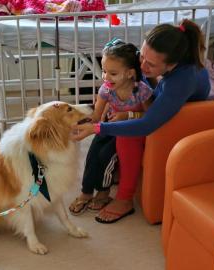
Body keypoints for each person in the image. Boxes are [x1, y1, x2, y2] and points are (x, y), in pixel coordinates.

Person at [71, 19, 211, 223]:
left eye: (150, 64)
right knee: (106, 139)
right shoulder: (154, 63)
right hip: (155, 105)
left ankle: (124, 199)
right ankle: (100, 182)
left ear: (171, 65)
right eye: (142, 55)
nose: (141, 64)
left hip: (183, 122)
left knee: (126, 137)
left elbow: (147, 123)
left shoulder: (182, 80)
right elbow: (126, 59)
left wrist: (98, 127)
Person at [69, 39, 153, 222]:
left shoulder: (142, 91)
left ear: (130, 73)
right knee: (93, 153)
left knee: (106, 156)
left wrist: (127, 115)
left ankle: (103, 192)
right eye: (105, 71)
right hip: (109, 127)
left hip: (130, 131)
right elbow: (97, 116)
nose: (106, 77)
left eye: (113, 73)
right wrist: (76, 123)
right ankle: (86, 191)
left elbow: (150, 119)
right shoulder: (106, 90)